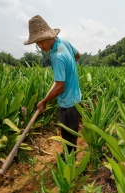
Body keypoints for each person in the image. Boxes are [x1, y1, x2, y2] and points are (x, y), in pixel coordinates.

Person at [24, 15, 81, 155]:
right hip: (76, 98)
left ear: (49, 37)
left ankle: (69, 163)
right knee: (72, 132)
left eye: (41, 42)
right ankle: (69, 154)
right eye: (37, 43)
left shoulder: (57, 56)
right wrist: (69, 70)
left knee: (68, 135)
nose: (40, 46)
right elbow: (77, 54)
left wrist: (43, 101)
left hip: (68, 103)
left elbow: (59, 87)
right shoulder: (64, 42)